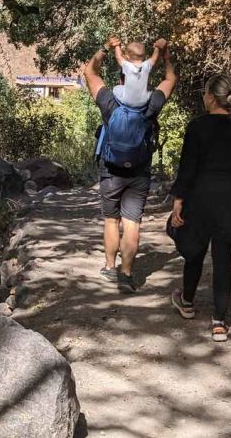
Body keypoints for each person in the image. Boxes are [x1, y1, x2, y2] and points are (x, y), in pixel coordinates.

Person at [168, 74, 231, 342]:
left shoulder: (197, 127)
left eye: (204, 93)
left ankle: (187, 302)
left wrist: (178, 200)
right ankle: (219, 322)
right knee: (223, 258)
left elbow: (188, 168)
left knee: (195, 251)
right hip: (230, 200)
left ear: (210, 97)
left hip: (200, 198)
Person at [83, 37, 177, 293]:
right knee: (132, 223)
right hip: (139, 171)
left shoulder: (109, 100)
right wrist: (165, 55)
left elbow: (90, 72)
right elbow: (170, 79)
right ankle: (126, 274)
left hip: (111, 170)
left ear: (122, 78)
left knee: (111, 221)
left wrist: (105, 48)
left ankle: (109, 267)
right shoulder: (152, 102)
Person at [112, 38, 167, 108]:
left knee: (116, 88)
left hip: (127, 101)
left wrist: (116, 45)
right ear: (144, 56)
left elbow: (118, 57)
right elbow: (154, 58)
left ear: (127, 57)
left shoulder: (127, 66)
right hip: (144, 101)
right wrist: (157, 47)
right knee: (151, 89)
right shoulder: (147, 65)